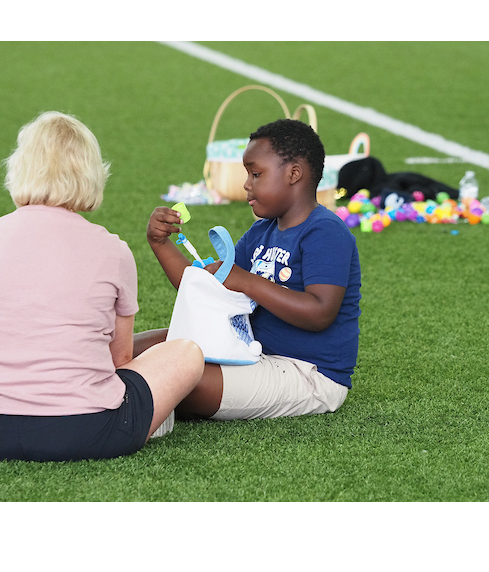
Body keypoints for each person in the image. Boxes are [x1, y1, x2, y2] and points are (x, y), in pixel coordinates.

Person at [0, 111, 204, 462]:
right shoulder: (111, 249)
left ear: (19, 167)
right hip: (81, 431)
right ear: (92, 174)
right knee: (186, 352)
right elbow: (121, 359)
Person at [145, 118, 361, 421]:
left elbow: (320, 313)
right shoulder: (263, 231)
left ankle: (112, 402)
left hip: (308, 374)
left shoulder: (325, 231)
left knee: (171, 377)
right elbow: (205, 290)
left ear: (294, 174)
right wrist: (161, 243)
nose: (247, 184)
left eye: (256, 174)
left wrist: (247, 282)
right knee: (144, 348)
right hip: (250, 352)